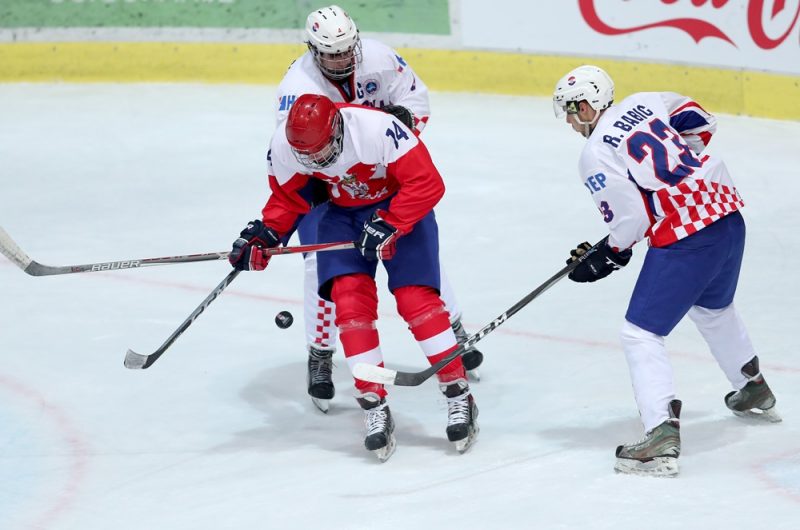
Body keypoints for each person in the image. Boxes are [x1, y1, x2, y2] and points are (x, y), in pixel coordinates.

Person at [552, 65, 780, 477]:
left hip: (688, 237)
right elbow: (699, 120)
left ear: (589, 105)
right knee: (713, 309)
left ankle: (660, 433)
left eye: (571, 110)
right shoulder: (645, 102)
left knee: (639, 333)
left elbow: (632, 220)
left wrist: (611, 252)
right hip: (726, 213)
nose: (569, 120)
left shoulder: (595, 152)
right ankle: (752, 386)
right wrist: (682, 171)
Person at [229, 93, 479, 461]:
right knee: (349, 303)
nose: (315, 161)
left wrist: (391, 224)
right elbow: (289, 199)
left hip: (397, 207)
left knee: (416, 300)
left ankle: (459, 394)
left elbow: (426, 183)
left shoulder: (377, 128)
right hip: (342, 216)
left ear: (337, 128)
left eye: (321, 151)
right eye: (307, 156)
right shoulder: (285, 145)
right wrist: (264, 235)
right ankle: (374, 405)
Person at [274, 5, 484, 412]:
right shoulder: (295, 88)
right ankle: (320, 353)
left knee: (414, 248)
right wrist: (316, 186)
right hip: (330, 186)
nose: (341, 60)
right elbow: (293, 152)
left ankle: (451, 329)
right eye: (330, 54)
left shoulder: (380, 58)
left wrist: (398, 122)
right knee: (322, 264)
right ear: (312, 50)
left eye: (346, 50)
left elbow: (415, 98)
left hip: (385, 168)